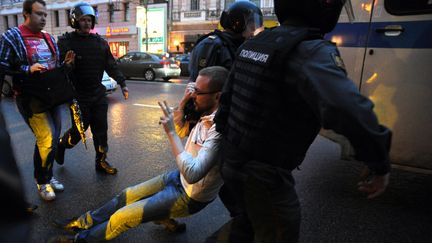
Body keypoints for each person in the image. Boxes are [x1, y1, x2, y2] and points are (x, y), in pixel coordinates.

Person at [211, 0, 392, 242]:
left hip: (232, 159)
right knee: (277, 232)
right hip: (263, 174)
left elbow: (226, 105)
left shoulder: (255, 43)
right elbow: (348, 110)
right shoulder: (310, 51)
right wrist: (379, 161)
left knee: (247, 226)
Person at [47, 66, 229, 243]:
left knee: (123, 217)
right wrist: (183, 103)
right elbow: (183, 132)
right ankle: (83, 222)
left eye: (197, 92)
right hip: (178, 177)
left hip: (190, 196)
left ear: (217, 96)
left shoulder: (220, 130)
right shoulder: (204, 112)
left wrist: (170, 133)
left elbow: (193, 172)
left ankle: (80, 240)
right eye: (192, 89)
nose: (192, 95)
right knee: (127, 195)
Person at [0, 0, 75, 201]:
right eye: (39, 14)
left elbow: (55, 68)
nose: (43, 18)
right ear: (26, 14)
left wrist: (66, 66)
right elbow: (2, 66)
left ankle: (48, 177)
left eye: (45, 14)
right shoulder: (12, 37)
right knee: (47, 138)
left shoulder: (48, 38)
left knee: (51, 138)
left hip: (51, 96)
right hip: (30, 98)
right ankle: (42, 182)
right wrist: (27, 69)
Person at [55, 2, 129, 175]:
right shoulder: (66, 42)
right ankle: (61, 144)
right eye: (83, 20)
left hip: (97, 94)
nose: (87, 23)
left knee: (101, 130)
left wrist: (122, 83)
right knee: (78, 132)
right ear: (75, 21)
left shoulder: (100, 43)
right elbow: (59, 69)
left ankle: (101, 162)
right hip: (77, 97)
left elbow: (111, 65)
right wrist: (67, 66)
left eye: (89, 20)